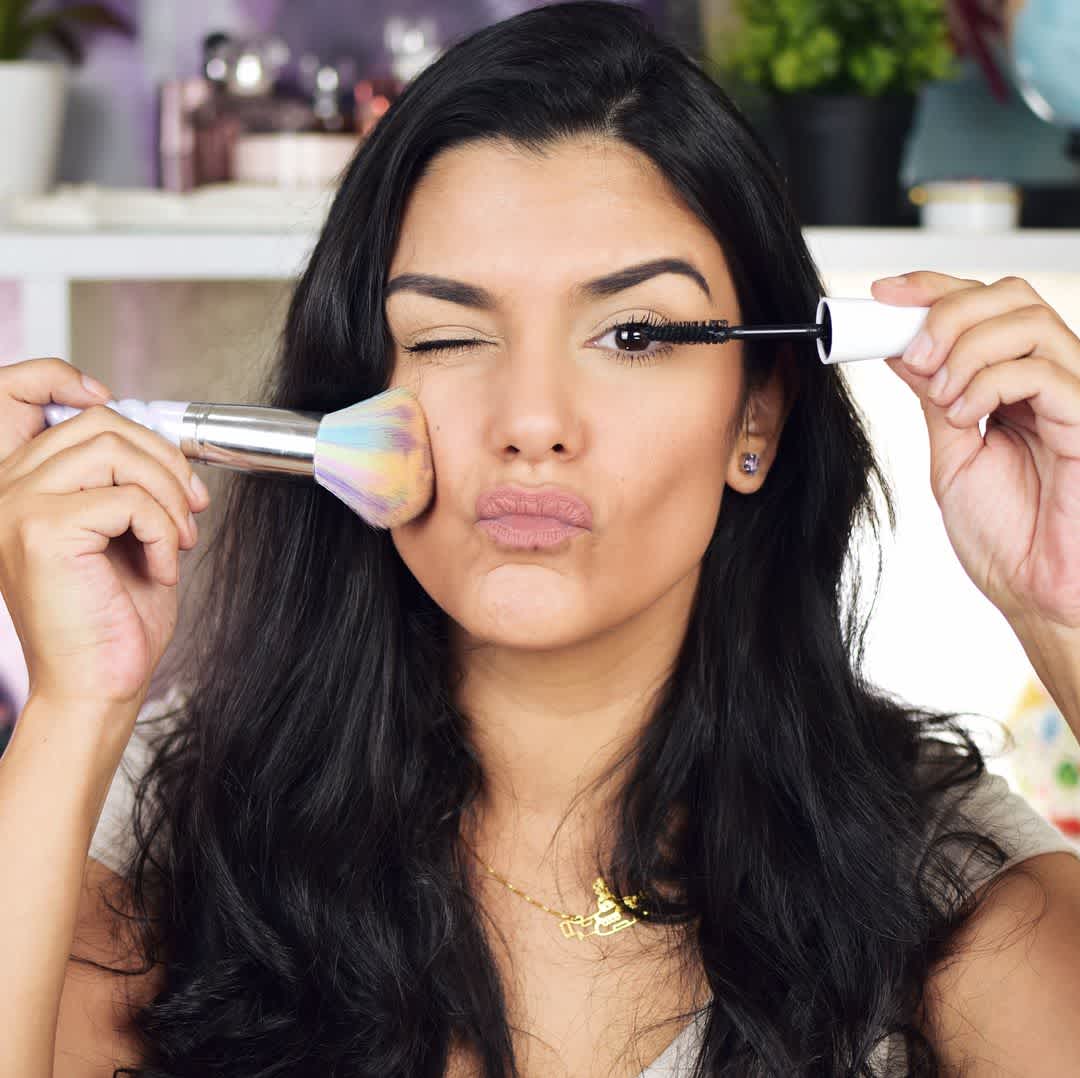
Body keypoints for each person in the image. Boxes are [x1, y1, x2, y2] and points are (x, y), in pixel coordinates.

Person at [2, 3, 1080, 1075]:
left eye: (632, 334)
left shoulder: (944, 886)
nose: (529, 421)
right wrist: (74, 707)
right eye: (450, 336)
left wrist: (1068, 614)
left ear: (755, 418)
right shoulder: (151, 826)